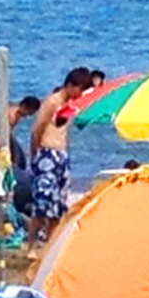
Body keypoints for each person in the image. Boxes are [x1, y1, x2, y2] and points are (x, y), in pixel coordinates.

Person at [28, 67, 91, 244]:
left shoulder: (70, 106)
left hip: (61, 155)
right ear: (71, 85)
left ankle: (49, 243)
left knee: (58, 207)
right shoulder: (52, 102)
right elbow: (37, 130)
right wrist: (36, 156)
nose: (80, 94)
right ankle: (31, 244)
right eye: (79, 89)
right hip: (46, 153)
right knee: (42, 204)